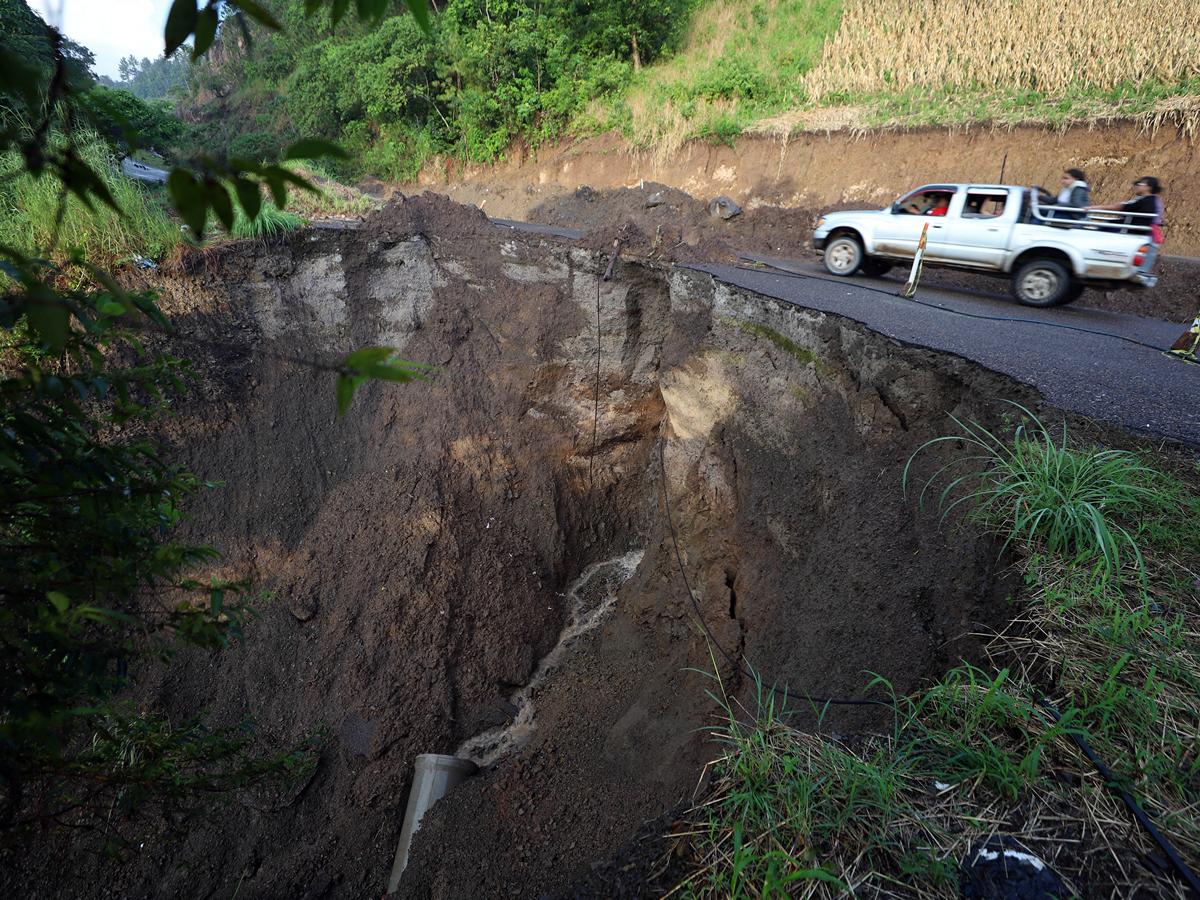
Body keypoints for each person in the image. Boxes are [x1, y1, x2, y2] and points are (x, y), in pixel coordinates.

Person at [1090, 176, 1164, 268]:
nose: (1138, 185)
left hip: (1130, 230)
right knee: (1107, 224)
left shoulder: (1147, 201)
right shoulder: (1154, 200)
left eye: (1141, 184)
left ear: (1148, 187)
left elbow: (1123, 208)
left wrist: (1096, 208)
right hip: (1135, 229)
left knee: (1103, 228)